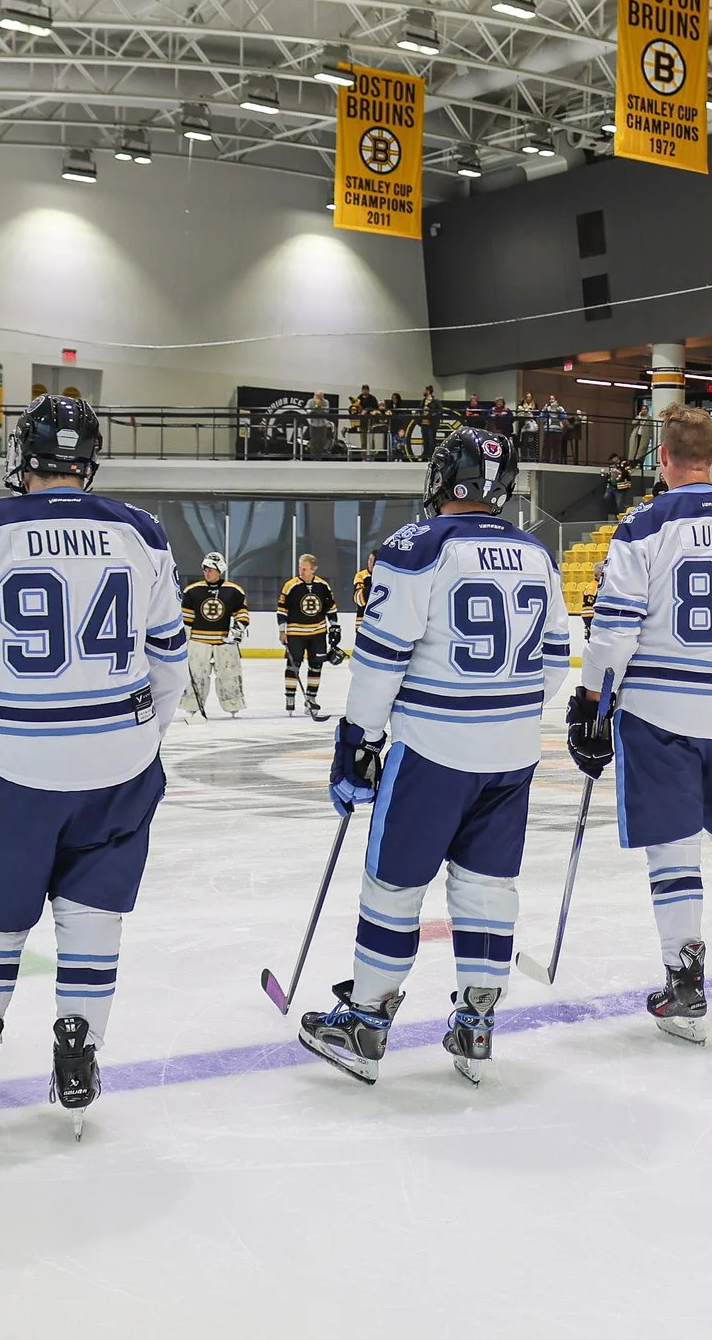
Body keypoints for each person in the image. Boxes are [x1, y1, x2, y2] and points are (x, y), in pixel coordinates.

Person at [0, 394, 191, 1138]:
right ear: (87, 458)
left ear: (24, 457)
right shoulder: (142, 532)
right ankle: (78, 1055)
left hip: (16, 763)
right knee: (94, 917)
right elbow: (171, 660)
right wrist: (140, 742)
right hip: (121, 763)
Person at [296, 431, 569, 1087]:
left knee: (393, 884)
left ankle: (366, 1022)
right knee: (486, 887)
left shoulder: (414, 547)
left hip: (433, 749)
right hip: (511, 752)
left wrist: (357, 740)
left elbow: (381, 659)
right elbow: (556, 664)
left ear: (446, 477)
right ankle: (476, 1024)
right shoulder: (536, 552)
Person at [572, 405, 712, 1043]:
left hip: (659, 714)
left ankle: (685, 980)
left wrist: (590, 699)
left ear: (663, 458)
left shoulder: (643, 526)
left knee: (673, 846)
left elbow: (612, 631)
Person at [179, 552, 249, 717]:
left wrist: (238, 629)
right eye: (205, 569)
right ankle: (192, 706)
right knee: (196, 674)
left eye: (210, 569)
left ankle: (232, 704)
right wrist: (183, 642)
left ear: (220, 569)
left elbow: (242, 613)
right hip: (198, 641)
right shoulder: (192, 591)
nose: (207, 572)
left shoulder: (234, 591)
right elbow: (186, 620)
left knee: (229, 673)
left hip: (224, 641)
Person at [275, 552, 339, 721]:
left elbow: (330, 608)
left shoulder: (323, 586)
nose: (301, 572)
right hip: (296, 633)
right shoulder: (291, 585)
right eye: (300, 568)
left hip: (318, 633)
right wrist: (283, 631)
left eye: (304, 569)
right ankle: (290, 695)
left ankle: (311, 698)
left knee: (316, 665)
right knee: (293, 665)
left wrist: (334, 626)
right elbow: (282, 610)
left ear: (314, 569)